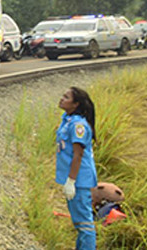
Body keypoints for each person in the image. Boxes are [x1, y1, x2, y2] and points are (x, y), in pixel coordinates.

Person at [56, 87, 97, 249]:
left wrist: (71, 181)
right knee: (79, 221)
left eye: (66, 97)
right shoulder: (68, 119)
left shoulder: (78, 125)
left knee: (85, 225)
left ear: (76, 104)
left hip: (79, 179)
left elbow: (78, 155)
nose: (61, 99)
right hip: (74, 177)